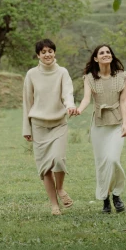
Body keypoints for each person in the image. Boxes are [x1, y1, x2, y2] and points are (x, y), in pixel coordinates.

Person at [71, 45, 126, 213]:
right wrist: (79, 110)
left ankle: (116, 194)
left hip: (117, 124)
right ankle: (105, 200)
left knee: (113, 160)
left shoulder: (121, 76)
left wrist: (125, 124)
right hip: (99, 126)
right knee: (102, 164)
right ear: (96, 58)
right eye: (101, 53)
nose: (106, 54)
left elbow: (124, 101)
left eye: (108, 52)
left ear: (112, 56)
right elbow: (86, 99)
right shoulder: (89, 78)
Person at [23, 39, 78, 215]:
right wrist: (27, 128)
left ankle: (60, 189)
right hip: (38, 125)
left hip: (58, 124)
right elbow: (27, 102)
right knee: (45, 167)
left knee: (59, 160)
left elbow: (67, 93)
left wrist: (70, 105)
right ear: (38, 55)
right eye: (43, 52)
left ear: (54, 53)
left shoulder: (62, 72)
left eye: (50, 51)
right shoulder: (31, 74)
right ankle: (54, 205)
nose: (47, 54)